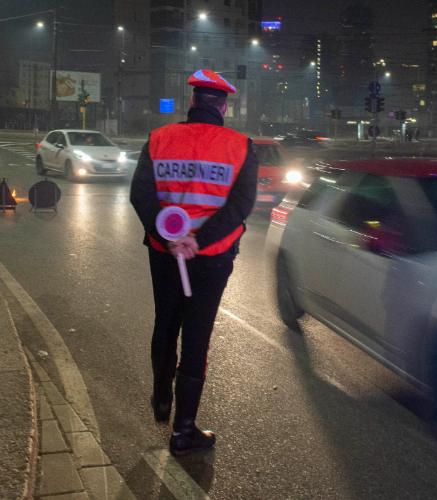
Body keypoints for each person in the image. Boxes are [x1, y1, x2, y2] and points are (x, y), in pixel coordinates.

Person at [130, 69, 258, 456]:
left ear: (192, 102)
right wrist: (196, 240)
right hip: (211, 258)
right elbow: (239, 207)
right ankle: (183, 430)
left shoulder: (158, 139)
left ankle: (161, 397)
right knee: (197, 334)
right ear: (223, 106)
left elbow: (141, 194)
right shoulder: (241, 145)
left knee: (165, 321)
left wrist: (170, 237)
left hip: (164, 253)